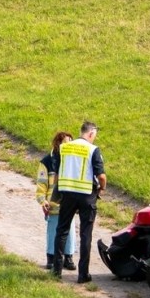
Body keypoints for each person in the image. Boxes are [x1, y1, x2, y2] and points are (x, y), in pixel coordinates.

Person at [52, 121, 106, 282]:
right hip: (87, 195)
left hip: (67, 194)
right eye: (94, 135)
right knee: (85, 234)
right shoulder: (92, 150)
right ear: (90, 133)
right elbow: (101, 176)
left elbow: (56, 174)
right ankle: (83, 275)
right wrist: (102, 188)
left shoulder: (64, 147)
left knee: (62, 231)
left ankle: (56, 271)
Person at [37, 132, 77, 271]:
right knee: (53, 230)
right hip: (53, 204)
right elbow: (41, 184)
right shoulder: (47, 162)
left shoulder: (73, 161)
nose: (68, 145)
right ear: (58, 143)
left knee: (70, 230)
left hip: (68, 202)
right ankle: (51, 257)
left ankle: (68, 256)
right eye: (66, 142)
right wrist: (42, 201)